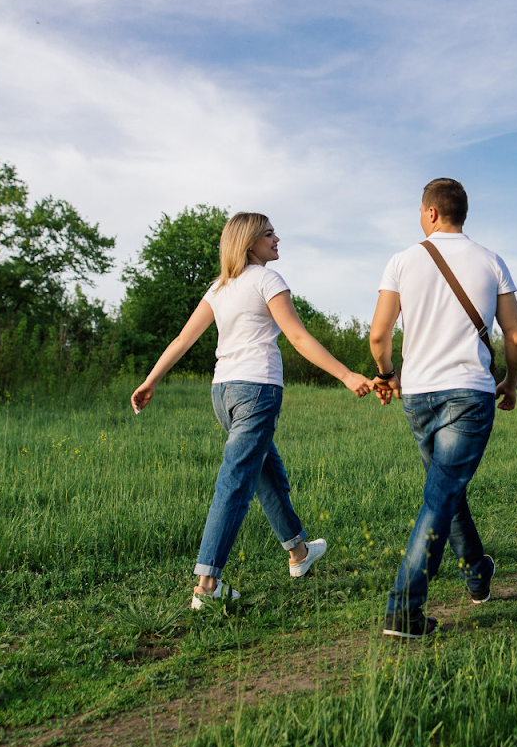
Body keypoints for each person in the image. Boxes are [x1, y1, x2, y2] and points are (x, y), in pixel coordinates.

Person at [131, 212, 375, 609]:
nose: (277, 238)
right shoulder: (266, 280)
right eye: (268, 234)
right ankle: (207, 588)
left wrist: (152, 379)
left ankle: (298, 554)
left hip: (223, 393)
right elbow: (297, 335)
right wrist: (346, 374)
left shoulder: (220, 287)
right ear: (249, 244)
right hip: (257, 390)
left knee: (266, 473)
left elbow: (183, 338)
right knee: (236, 481)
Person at [369, 178, 517, 640]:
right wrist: (511, 383)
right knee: (441, 495)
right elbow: (515, 337)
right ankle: (404, 611)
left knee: (443, 491)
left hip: (418, 395)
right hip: (469, 393)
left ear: (432, 213)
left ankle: (478, 573)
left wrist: (386, 374)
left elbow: (379, 335)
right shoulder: (491, 261)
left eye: (421, 211)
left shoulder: (402, 260)